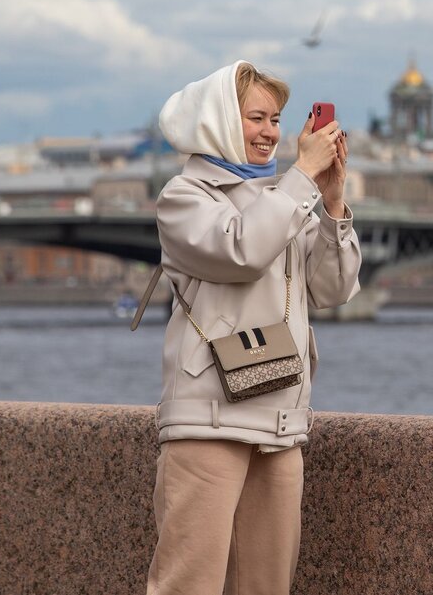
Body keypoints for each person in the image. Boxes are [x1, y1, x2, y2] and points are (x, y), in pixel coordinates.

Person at [146, 60, 362, 595]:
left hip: (281, 416)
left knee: (267, 585)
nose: (271, 132)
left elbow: (332, 291)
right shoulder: (185, 197)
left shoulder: (285, 198)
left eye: (277, 119)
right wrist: (300, 181)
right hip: (209, 418)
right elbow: (240, 251)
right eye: (256, 118)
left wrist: (332, 203)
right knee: (187, 583)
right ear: (219, 120)